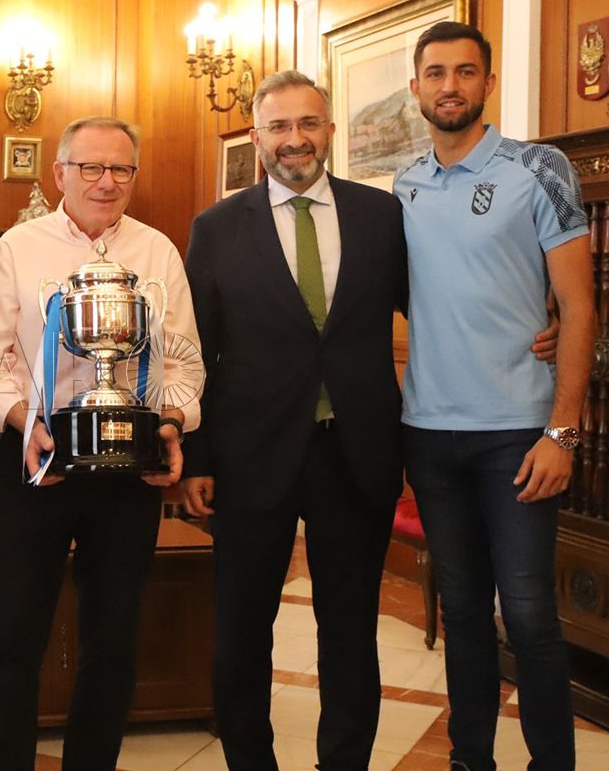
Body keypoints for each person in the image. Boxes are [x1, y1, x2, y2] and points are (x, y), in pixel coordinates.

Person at [182, 70, 408, 770]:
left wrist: (534, 325)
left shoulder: (382, 217)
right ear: (258, 137)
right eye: (279, 127)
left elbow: (433, 309)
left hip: (356, 453)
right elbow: (192, 352)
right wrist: (196, 460)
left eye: (308, 124)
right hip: (250, 457)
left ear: (330, 130)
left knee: (350, 634)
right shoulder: (217, 228)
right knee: (241, 634)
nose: (294, 139)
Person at [0, 116, 202, 770]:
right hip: (33, 459)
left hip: (129, 469)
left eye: (122, 169)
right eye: (91, 168)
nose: (107, 182)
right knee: (13, 636)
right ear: (60, 174)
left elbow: (184, 361)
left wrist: (172, 423)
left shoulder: (158, 252)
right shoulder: (18, 249)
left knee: (114, 641)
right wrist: (24, 421)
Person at [396, 21, 593, 771]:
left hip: (519, 433)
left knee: (533, 616)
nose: (451, 85)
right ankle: (468, 760)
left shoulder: (536, 168)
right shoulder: (404, 185)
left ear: (487, 83)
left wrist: (563, 432)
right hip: (428, 433)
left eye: (466, 72)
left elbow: (578, 307)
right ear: (415, 88)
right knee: (467, 616)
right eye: (436, 72)